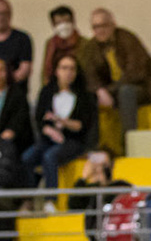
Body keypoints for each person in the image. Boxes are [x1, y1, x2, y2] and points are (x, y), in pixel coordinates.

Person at [77, 9, 151, 150]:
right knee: (88, 97)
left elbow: (136, 73)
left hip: (143, 87)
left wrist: (109, 91)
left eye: (104, 25)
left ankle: (129, 144)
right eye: (95, 27)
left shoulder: (127, 38)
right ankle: (92, 147)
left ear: (113, 24)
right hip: (113, 90)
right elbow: (89, 74)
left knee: (126, 92)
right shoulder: (91, 47)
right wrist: (99, 91)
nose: (100, 30)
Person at [25, 54, 98, 189]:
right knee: (27, 157)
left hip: (74, 141)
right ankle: (29, 198)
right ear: (57, 71)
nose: (68, 73)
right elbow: (39, 118)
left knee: (50, 156)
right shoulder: (47, 91)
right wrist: (49, 130)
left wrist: (61, 121)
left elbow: (82, 126)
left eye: (72, 69)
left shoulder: (84, 96)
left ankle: (51, 199)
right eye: (64, 68)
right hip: (49, 139)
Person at [40, 6, 84, 89]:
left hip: (81, 88)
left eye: (67, 21)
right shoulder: (50, 44)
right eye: (59, 23)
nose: (63, 26)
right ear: (53, 25)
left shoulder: (84, 43)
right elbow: (45, 71)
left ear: (73, 22)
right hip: (55, 88)